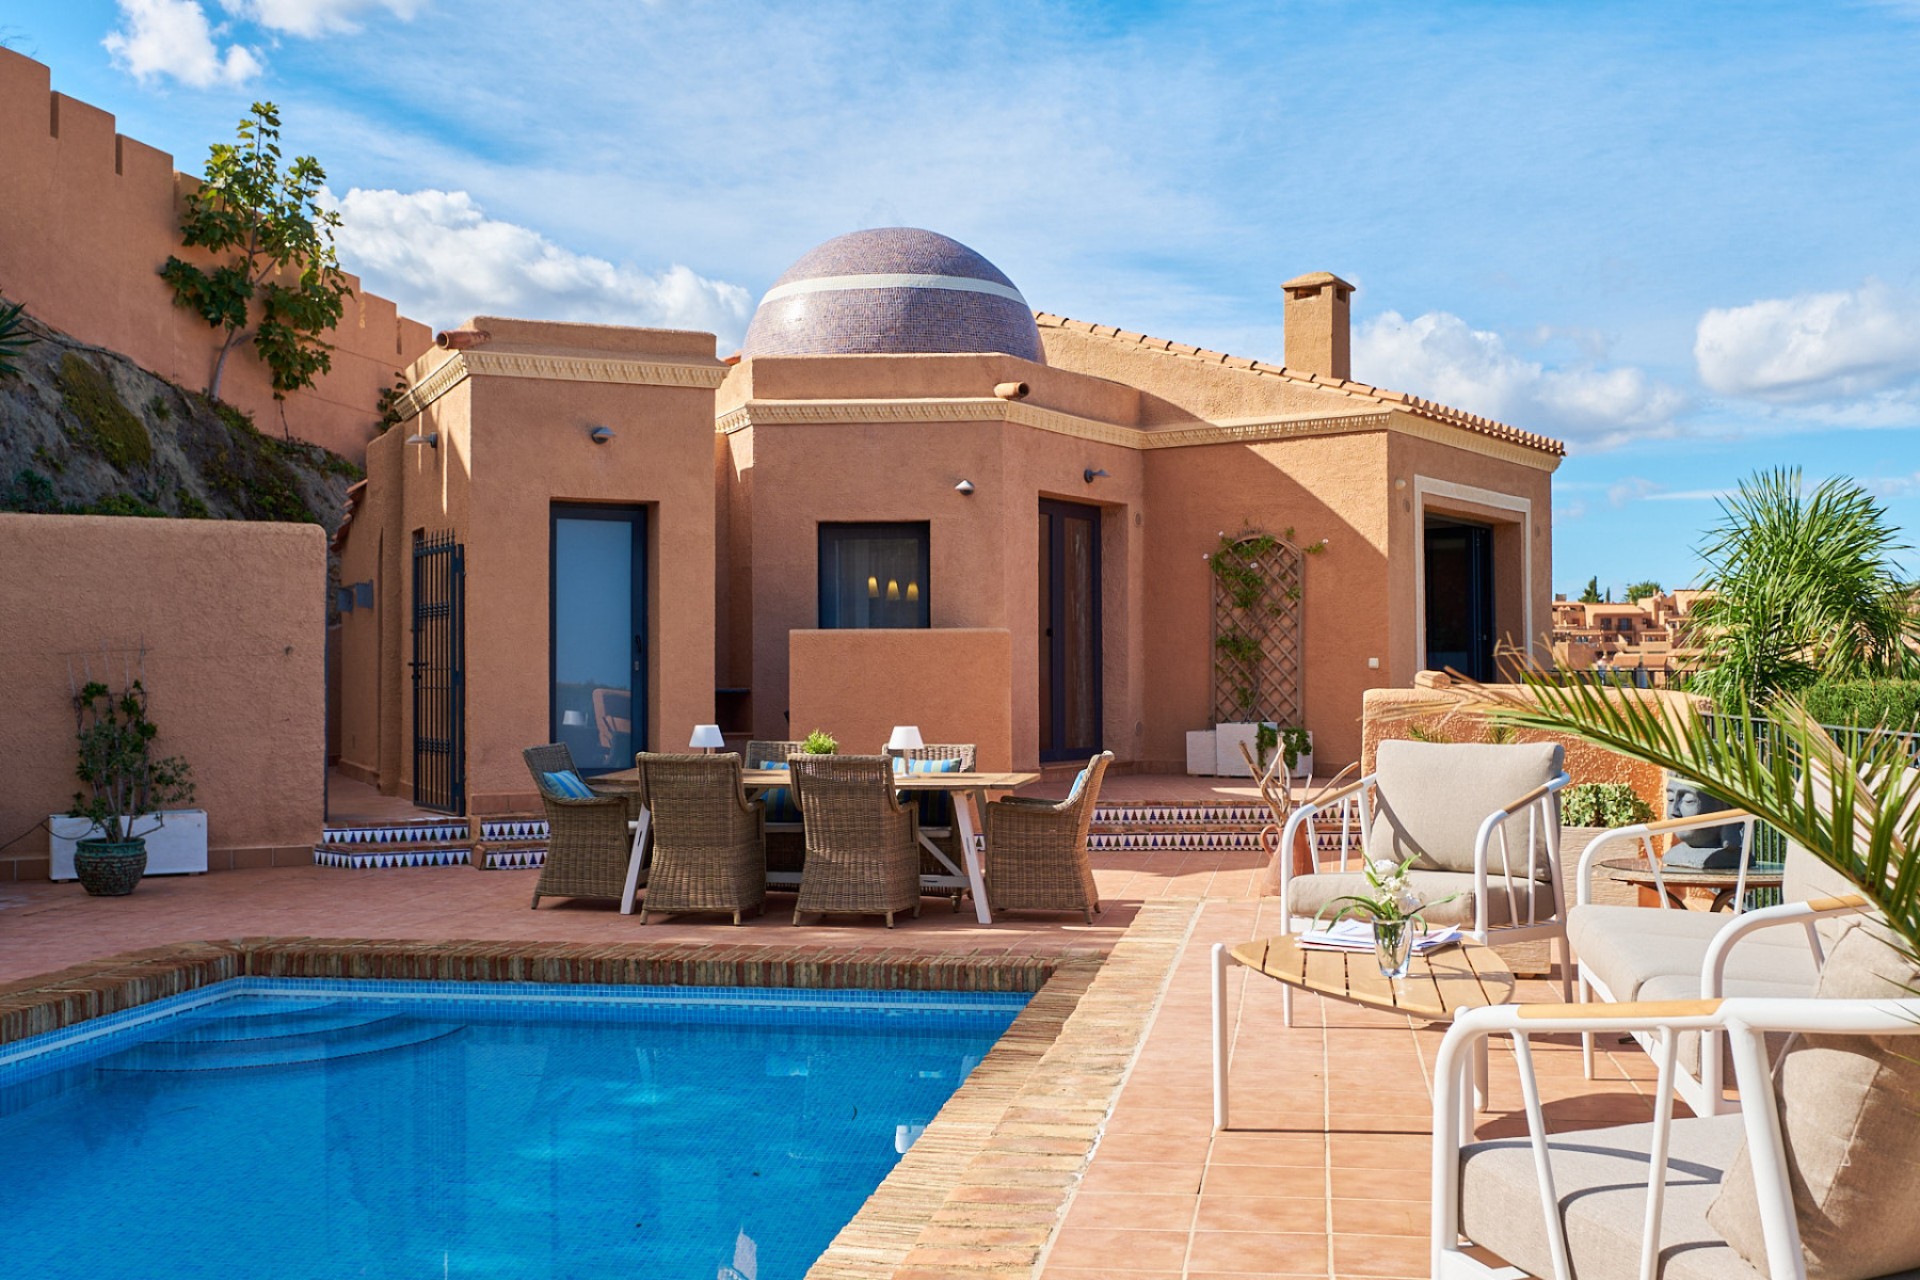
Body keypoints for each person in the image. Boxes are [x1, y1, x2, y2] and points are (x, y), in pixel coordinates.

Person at [1665, 777, 1744, 869]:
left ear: (1724, 807)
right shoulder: (1675, 854)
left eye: (1688, 800)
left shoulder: (1723, 858)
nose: (1674, 812)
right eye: (1670, 799)